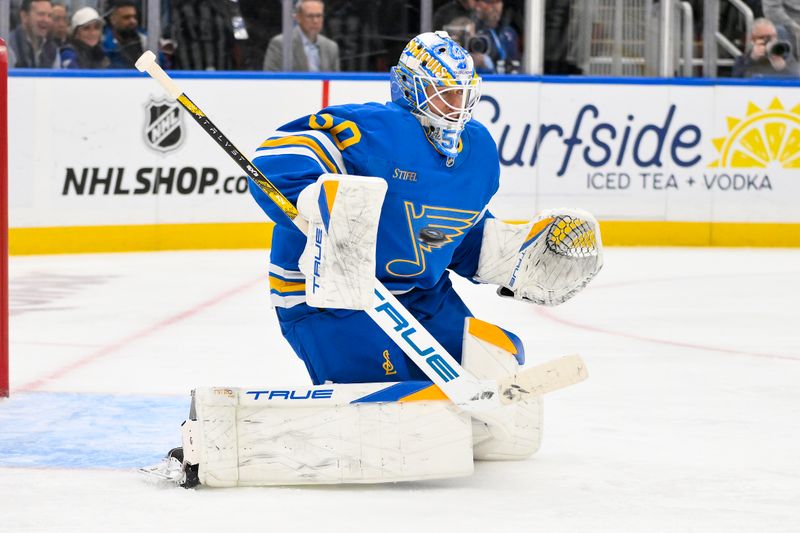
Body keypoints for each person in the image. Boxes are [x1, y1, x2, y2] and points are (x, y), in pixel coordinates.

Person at [249, 31, 601, 391]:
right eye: (444, 92)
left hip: (421, 297)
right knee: (384, 390)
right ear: (410, 87)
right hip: (331, 299)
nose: (457, 103)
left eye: (463, 92)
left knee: (494, 369)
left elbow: (452, 233)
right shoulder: (372, 130)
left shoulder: (477, 150)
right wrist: (314, 199)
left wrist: (512, 260)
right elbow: (279, 154)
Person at [263, 0, 339, 72]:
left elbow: (337, 82)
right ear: (298, 17)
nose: (315, 21)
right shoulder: (281, 44)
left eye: (319, 16)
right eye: (310, 16)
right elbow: (271, 80)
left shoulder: (331, 47)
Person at [732, 18, 800, 77]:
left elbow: (796, 78)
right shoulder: (742, 61)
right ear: (752, 40)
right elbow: (736, 82)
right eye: (765, 38)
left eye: (774, 37)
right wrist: (751, 60)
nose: (771, 41)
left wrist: (783, 68)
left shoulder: (785, 55)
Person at [470, 0, 521, 74]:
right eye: (489, 2)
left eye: (498, 2)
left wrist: (489, 66)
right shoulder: (469, 31)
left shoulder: (509, 34)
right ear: (477, 5)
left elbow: (516, 69)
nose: (495, 7)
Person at [7, 0, 60, 68]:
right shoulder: (9, 46)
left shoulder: (53, 49)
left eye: (49, 16)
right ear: (24, 16)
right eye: (41, 14)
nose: (46, 20)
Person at [101, 0, 146, 69]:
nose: (132, 21)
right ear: (112, 20)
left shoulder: (145, 41)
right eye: (126, 17)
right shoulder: (103, 45)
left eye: (134, 17)